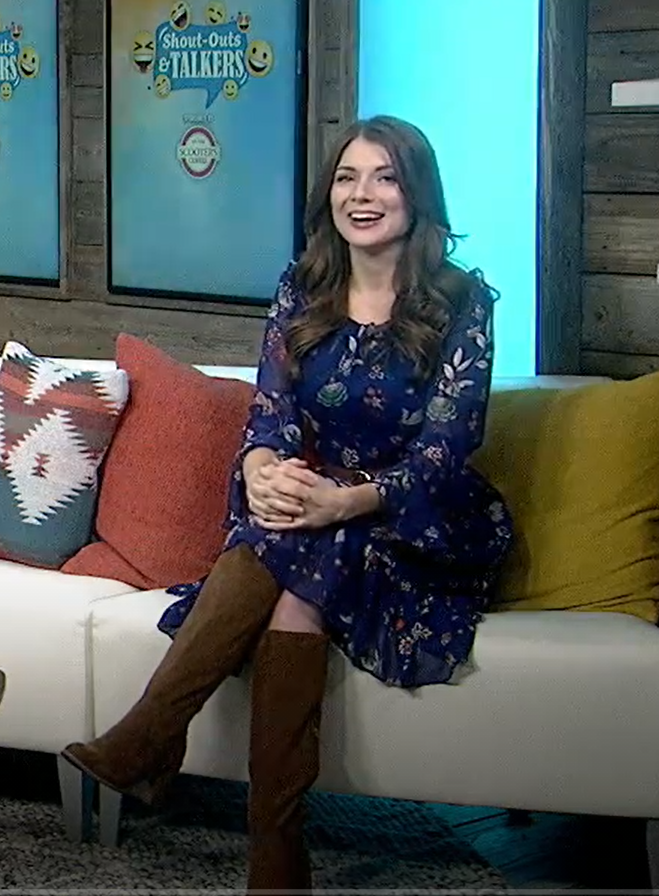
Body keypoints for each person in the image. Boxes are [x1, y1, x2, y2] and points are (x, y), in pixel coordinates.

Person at [60, 115, 513, 893]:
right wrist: (263, 464)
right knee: (288, 558)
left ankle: (151, 743)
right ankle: (274, 854)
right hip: (311, 511)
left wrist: (348, 501)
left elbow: (447, 446)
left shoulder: (460, 300)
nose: (362, 195)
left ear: (417, 194)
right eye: (347, 177)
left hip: (414, 520)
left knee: (292, 558)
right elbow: (269, 412)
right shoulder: (302, 287)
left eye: (384, 178)